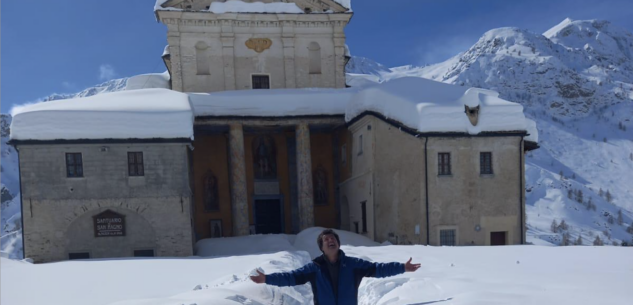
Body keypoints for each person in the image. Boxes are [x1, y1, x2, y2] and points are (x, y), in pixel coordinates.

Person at [250, 229, 421, 305]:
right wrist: (267, 278)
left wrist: (402, 267)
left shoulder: (354, 265)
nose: (330, 241)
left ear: (338, 244)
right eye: (326, 240)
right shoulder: (314, 268)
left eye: (333, 239)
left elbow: (378, 269)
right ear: (321, 247)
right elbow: (290, 277)